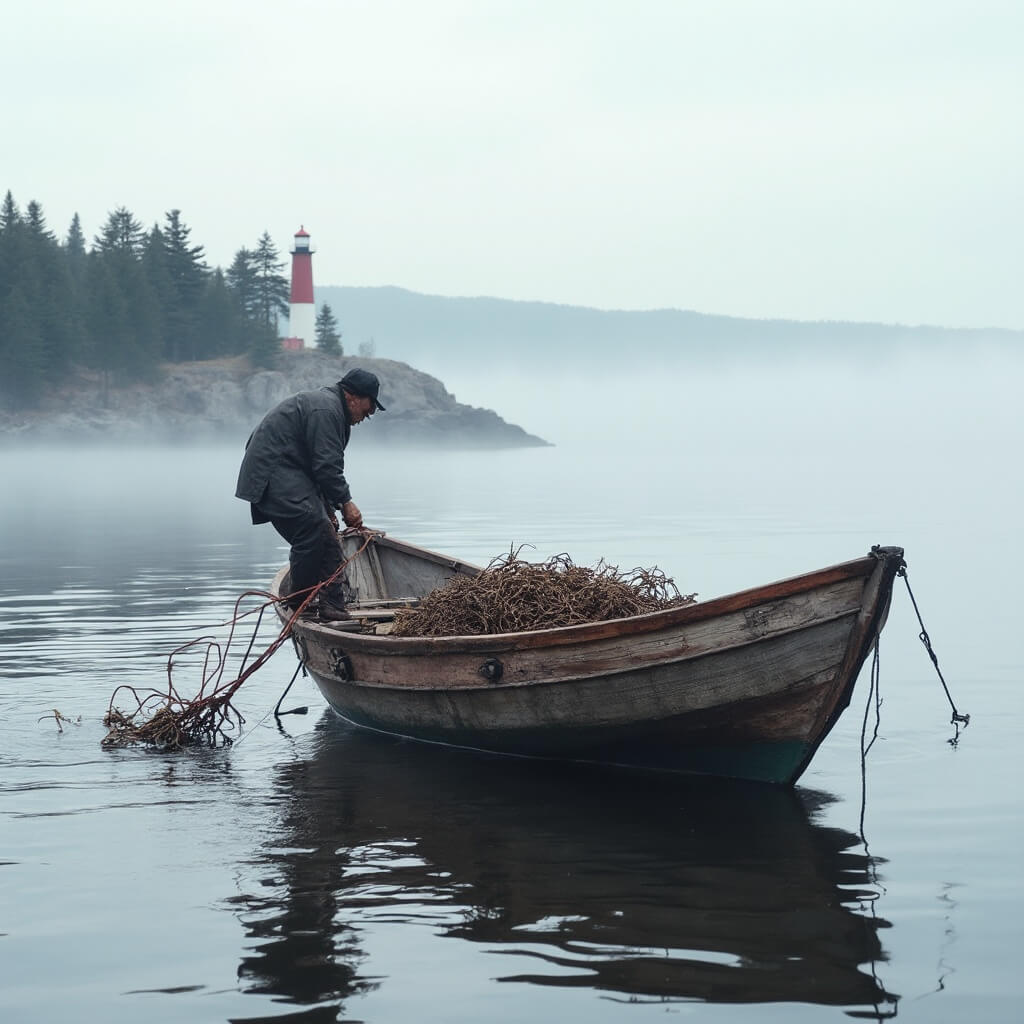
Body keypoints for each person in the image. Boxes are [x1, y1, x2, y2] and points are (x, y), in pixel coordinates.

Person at [235, 367, 385, 620]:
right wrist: (346, 503)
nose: (368, 414)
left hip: (293, 473)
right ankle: (302, 602)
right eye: (369, 408)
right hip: (274, 471)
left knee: (325, 531)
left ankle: (327, 605)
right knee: (314, 529)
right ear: (352, 396)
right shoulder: (327, 410)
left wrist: (330, 507)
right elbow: (326, 466)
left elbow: (318, 467)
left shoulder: (333, 409)